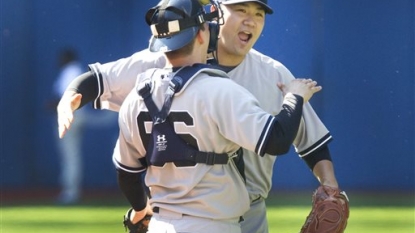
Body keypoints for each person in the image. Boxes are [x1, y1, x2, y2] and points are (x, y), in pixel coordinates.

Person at [57, 0, 344, 232]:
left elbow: (311, 142)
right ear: (213, 16)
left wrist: (329, 183)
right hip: (208, 216)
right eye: (241, 10)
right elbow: (96, 80)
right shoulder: (168, 61)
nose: (251, 20)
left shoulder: (273, 73)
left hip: (233, 211)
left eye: (259, 13)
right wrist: (69, 96)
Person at [51, 47, 87, 205]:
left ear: (68, 57)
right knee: (71, 155)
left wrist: (51, 105)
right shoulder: (76, 70)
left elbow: (67, 97)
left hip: (71, 115)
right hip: (75, 115)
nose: (60, 60)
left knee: (70, 155)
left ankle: (71, 191)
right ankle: (71, 190)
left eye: (63, 57)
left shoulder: (71, 71)